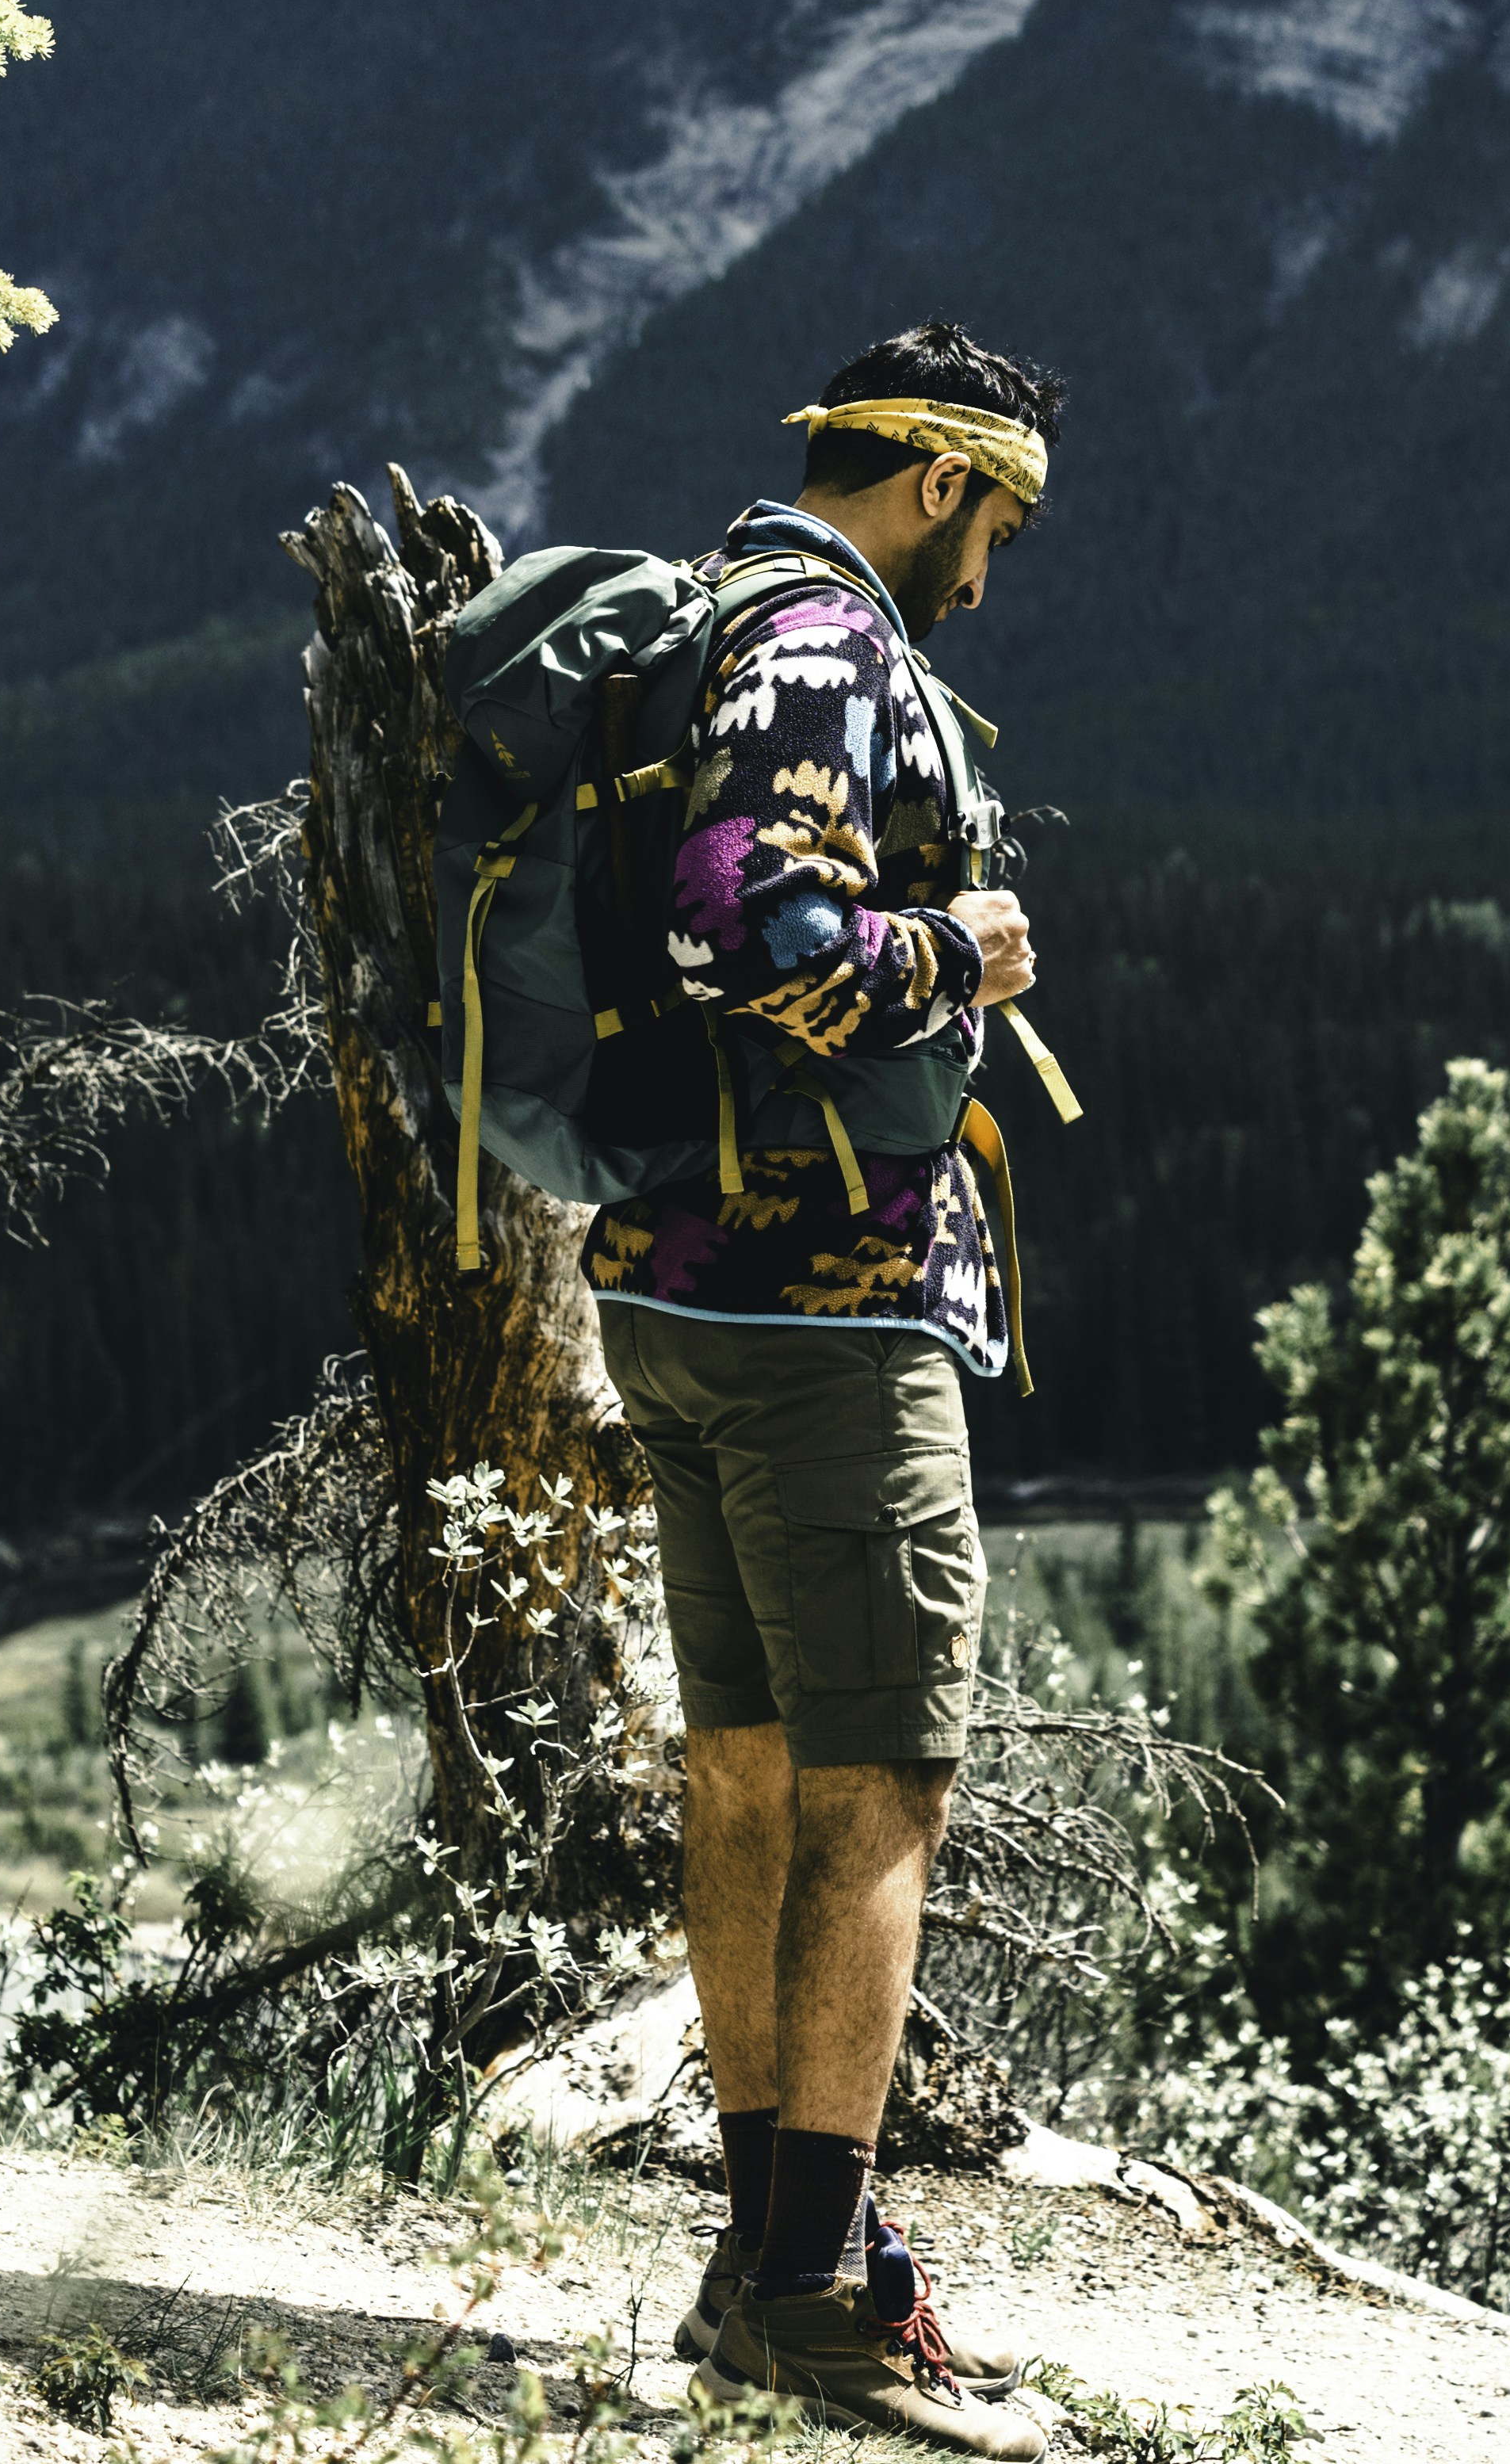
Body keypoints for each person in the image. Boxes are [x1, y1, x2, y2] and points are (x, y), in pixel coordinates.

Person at [588, 321, 1065, 2452]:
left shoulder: (710, 622)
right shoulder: (826, 649)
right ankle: (805, 2291)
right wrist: (962, 954)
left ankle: (784, 2253)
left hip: (685, 1290)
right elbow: (740, 930)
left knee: (755, 1776)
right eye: (1006, 516)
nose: (999, 562)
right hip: (819, 1312)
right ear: (946, 482)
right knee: (877, 1788)